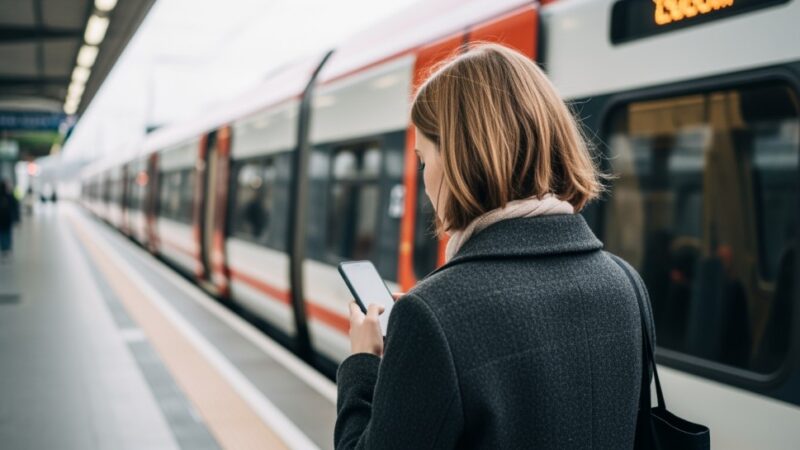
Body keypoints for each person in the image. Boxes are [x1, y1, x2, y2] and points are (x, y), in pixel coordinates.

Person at [334, 43, 655, 449]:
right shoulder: (626, 283)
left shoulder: (431, 315)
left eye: (424, 159)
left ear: (458, 159)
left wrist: (363, 363)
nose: (425, 179)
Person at [0, 180, 20, 258]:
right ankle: (6, 248)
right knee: (7, 233)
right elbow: (15, 208)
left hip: (3, 220)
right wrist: (17, 219)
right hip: (7, 219)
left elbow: (14, 207)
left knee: (3, 233)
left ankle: (4, 248)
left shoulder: (9, 196)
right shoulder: (10, 196)